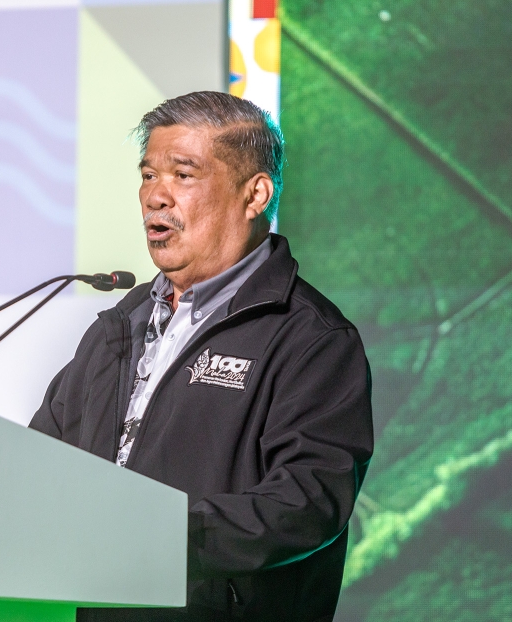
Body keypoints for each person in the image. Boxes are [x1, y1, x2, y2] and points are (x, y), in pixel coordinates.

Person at [30, 92, 373, 621]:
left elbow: (308, 501)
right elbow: (36, 461)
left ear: (255, 194)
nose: (155, 196)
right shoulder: (118, 328)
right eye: (148, 175)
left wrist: (161, 533)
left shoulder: (312, 337)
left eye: (183, 175)